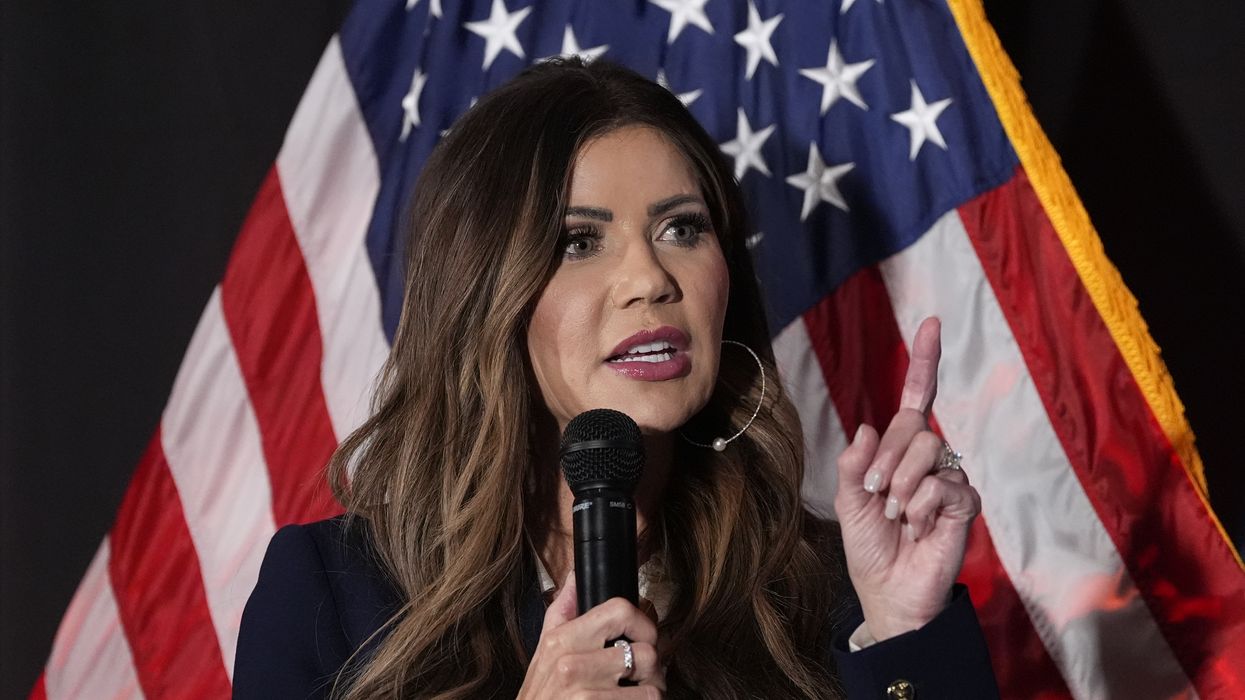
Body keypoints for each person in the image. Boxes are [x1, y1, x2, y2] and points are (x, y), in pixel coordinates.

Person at [234, 58, 999, 699]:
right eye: (577, 241)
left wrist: (901, 631)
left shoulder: (829, 594)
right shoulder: (333, 596)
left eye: (681, 229)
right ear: (484, 294)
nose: (648, 278)